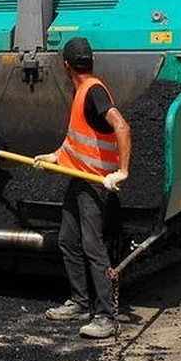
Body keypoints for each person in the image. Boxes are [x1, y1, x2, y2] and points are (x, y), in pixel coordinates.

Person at [33, 37, 132, 339]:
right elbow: (77, 138)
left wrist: (122, 172)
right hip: (79, 178)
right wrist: (55, 156)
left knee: (92, 245)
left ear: (66, 66)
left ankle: (106, 316)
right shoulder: (83, 92)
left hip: (94, 183)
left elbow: (122, 127)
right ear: (90, 61)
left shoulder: (93, 91)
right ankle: (79, 302)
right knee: (67, 239)